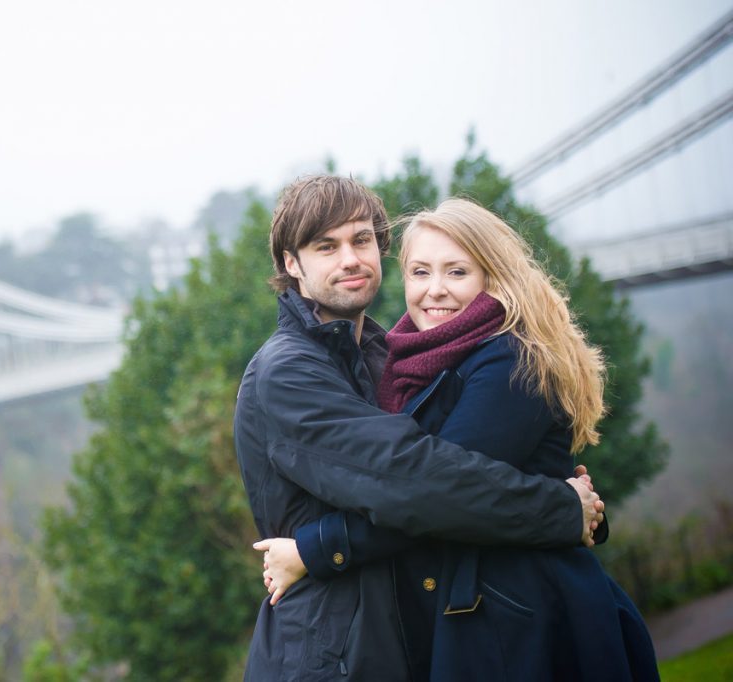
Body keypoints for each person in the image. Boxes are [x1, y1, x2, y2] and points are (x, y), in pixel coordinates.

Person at [255, 197, 658, 680]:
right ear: (290, 263)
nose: (435, 291)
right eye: (421, 272)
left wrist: (314, 551)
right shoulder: (409, 360)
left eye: (457, 272)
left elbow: (435, 493)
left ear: (493, 276)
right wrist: (563, 505)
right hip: (479, 615)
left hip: (526, 620)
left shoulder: (511, 361)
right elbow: (420, 486)